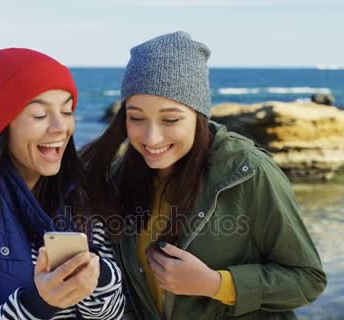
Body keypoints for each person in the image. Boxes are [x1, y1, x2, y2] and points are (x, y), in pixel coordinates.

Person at [81, 31, 326, 320]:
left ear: (198, 116)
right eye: (136, 117)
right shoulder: (120, 176)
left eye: (170, 119)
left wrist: (216, 284)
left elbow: (308, 280)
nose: (151, 136)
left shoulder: (248, 172)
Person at [0, 48, 124, 320]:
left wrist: (98, 274)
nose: (59, 127)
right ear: (6, 123)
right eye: (40, 115)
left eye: (66, 111)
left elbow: (110, 315)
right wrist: (37, 303)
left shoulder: (82, 193)